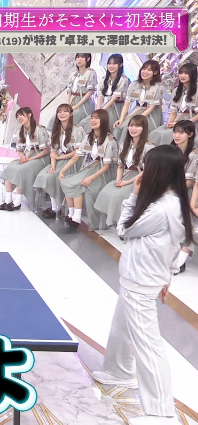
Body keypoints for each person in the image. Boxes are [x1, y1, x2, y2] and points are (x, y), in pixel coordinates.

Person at [92, 144, 193, 425]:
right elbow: (173, 244)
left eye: (147, 166)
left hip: (141, 280)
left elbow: (124, 229)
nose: (143, 172)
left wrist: (133, 195)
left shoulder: (162, 208)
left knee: (148, 344)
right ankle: (118, 371)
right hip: (141, 276)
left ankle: (161, 410)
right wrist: (168, 273)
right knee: (122, 328)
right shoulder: (170, 201)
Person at [59, 109, 119, 229]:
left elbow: (107, 166)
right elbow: (76, 156)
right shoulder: (88, 137)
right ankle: (71, 214)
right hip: (88, 168)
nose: (93, 120)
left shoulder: (110, 141)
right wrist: (63, 170)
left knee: (78, 185)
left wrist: (91, 178)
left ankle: (76, 217)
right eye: (92, 118)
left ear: (104, 120)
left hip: (100, 172)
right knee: (66, 181)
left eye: (97, 118)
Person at [93, 115, 155, 228]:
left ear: (144, 128)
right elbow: (120, 166)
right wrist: (118, 180)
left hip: (139, 178)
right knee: (105, 192)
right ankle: (111, 222)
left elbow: (146, 171)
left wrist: (127, 182)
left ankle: (123, 224)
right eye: (131, 125)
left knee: (118, 196)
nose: (133, 129)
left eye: (137, 126)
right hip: (125, 175)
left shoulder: (149, 147)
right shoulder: (124, 144)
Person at [34, 104, 86, 218]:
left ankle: (56, 208)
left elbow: (77, 152)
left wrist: (59, 158)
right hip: (58, 161)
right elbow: (53, 151)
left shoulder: (78, 129)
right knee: (45, 175)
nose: (62, 114)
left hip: (73, 161)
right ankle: (54, 207)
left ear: (71, 114)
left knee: (53, 177)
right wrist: (53, 165)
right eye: (59, 111)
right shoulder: (56, 129)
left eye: (65, 111)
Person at [0, 107, 50, 211]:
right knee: (10, 168)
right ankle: (8, 200)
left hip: (40, 158)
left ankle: (18, 202)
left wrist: (29, 159)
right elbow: (20, 150)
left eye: (22, 115)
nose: (19, 117)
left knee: (21, 170)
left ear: (29, 115)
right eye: (18, 116)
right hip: (27, 157)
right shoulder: (20, 131)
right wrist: (23, 157)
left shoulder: (40, 129)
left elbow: (46, 151)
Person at [112, 60, 165, 143]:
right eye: (144, 69)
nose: (145, 72)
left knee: (133, 129)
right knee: (120, 127)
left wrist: (138, 120)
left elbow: (151, 107)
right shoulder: (134, 84)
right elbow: (127, 104)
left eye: (149, 70)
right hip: (137, 110)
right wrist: (121, 119)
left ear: (155, 72)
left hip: (151, 114)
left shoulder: (158, 87)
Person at [170, 120, 198, 274]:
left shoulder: (194, 156)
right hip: (172, 191)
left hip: (186, 193)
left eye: (181, 132)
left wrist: (171, 191)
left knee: (191, 226)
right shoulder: (171, 151)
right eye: (175, 132)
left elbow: (190, 182)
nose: (177, 135)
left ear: (190, 134)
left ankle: (180, 261)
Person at [79, 54, 130, 134]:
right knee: (85, 122)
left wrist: (100, 112)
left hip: (117, 108)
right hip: (105, 107)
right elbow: (100, 97)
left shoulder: (124, 79)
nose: (111, 66)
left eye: (114, 64)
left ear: (120, 65)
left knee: (107, 126)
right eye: (109, 63)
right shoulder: (104, 79)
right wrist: (98, 111)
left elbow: (113, 99)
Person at [150, 63, 198, 146]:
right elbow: (173, 112)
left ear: (193, 75)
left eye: (186, 73)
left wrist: (183, 123)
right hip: (177, 121)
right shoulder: (176, 91)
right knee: (156, 133)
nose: (182, 76)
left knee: (166, 135)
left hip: (192, 122)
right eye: (181, 73)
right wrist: (169, 124)